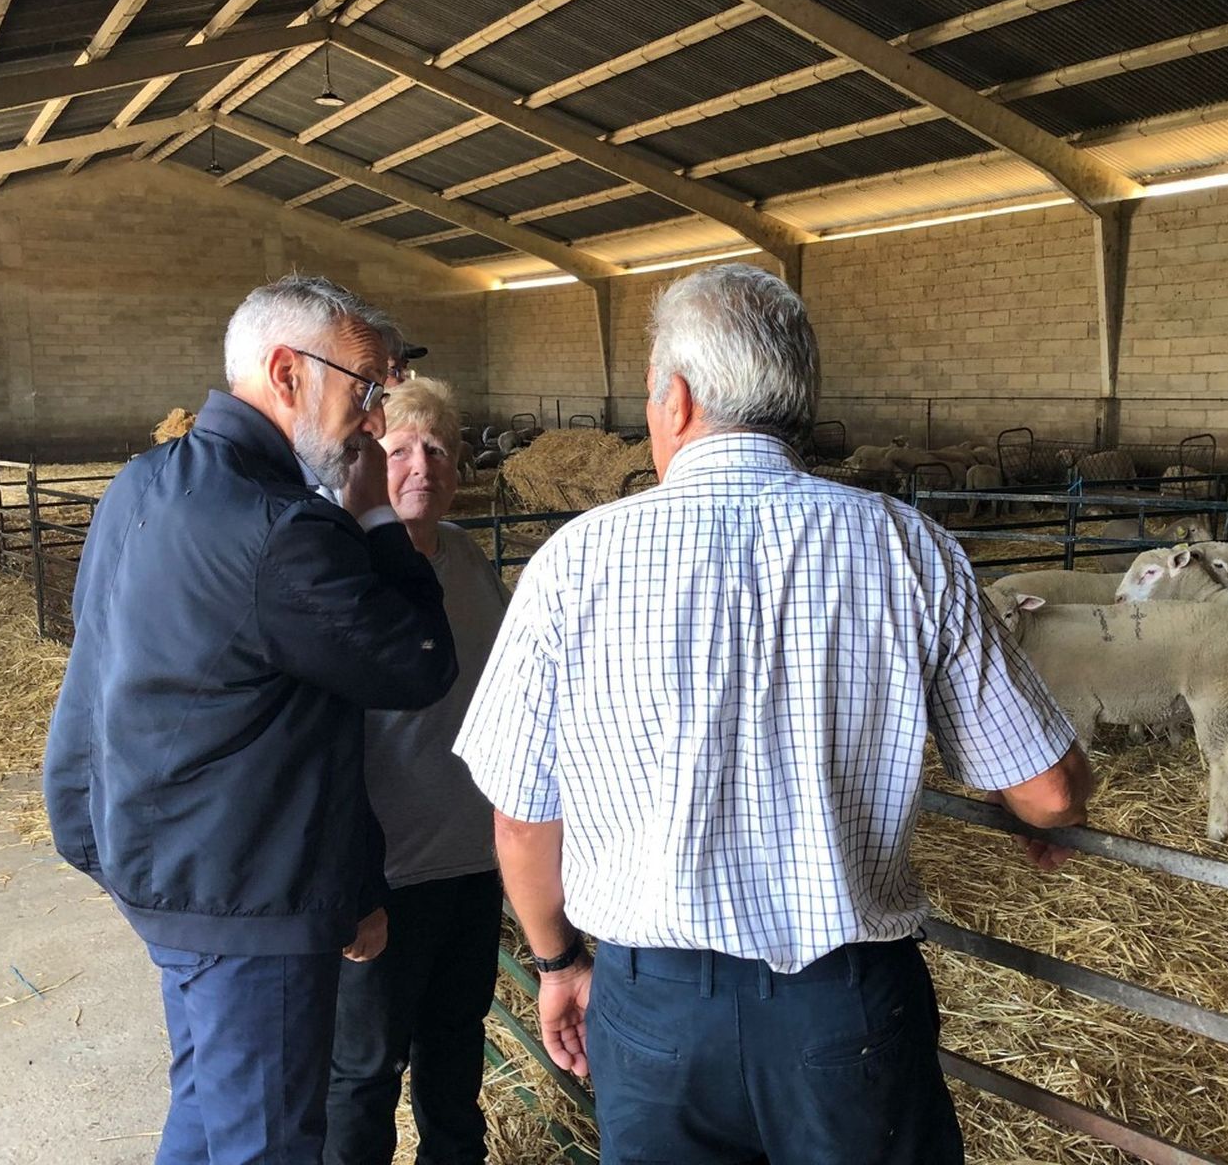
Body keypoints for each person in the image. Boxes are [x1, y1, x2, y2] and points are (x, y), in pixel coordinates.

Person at [454, 263, 1093, 1165]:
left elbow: (522, 821)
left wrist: (558, 966)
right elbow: (1051, 790)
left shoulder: (573, 562)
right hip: (847, 1010)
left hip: (654, 1011)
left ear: (673, 399)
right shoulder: (905, 544)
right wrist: (1046, 813)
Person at [44, 274, 458, 1165]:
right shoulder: (280, 531)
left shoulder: (144, 485)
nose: (375, 417)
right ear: (286, 373)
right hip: (247, 897)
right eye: (365, 389)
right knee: (266, 1141)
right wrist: (379, 512)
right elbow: (417, 664)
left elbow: (99, 666)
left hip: (166, 872)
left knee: (204, 1113)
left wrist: (84, 829)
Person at [324, 378, 507, 1165]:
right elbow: (316, 743)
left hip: (471, 860)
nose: (421, 466)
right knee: (365, 1071)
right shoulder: (341, 569)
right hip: (383, 877)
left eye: (438, 449)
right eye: (400, 450)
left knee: (455, 1052)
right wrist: (347, 883)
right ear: (366, 462)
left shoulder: (467, 559)